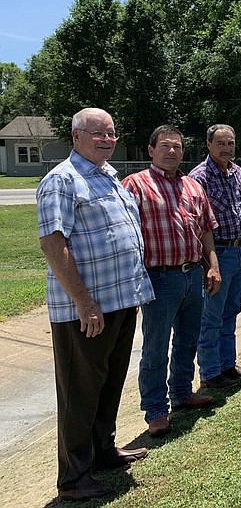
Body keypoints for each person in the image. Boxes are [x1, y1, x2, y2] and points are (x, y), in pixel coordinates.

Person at [37, 107, 155, 500]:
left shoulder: (109, 178)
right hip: (86, 311)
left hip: (121, 301)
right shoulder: (62, 181)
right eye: (97, 133)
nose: (106, 139)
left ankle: (103, 450)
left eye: (111, 133)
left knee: (108, 383)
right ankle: (73, 477)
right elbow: (53, 243)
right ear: (76, 136)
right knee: (80, 392)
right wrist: (84, 303)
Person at [122, 125, 221, 437]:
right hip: (159, 278)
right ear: (151, 150)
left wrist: (212, 266)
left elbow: (206, 229)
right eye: (165, 146)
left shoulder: (193, 187)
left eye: (177, 147)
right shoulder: (134, 185)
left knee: (188, 340)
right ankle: (155, 410)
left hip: (193, 273)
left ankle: (181, 393)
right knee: (155, 347)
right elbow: (125, 236)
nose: (172, 152)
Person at [188, 124, 241, 389]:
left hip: (239, 250)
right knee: (211, 316)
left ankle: (228, 364)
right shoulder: (199, 178)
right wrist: (210, 265)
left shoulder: (238, 172)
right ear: (208, 145)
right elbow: (196, 225)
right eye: (220, 143)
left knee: (231, 311)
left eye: (230, 143)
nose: (226, 148)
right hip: (217, 254)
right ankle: (209, 372)